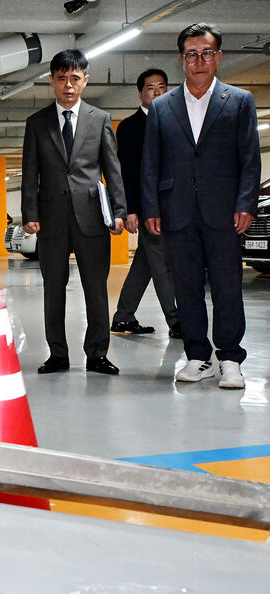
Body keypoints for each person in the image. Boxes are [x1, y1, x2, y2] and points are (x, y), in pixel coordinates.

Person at [142, 23, 261, 389]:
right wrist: (151, 208)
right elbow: (151, 163)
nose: (199, 61)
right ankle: (198, 357)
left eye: (206, 53)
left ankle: (230, 359)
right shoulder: (162, 107)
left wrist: (246, 202)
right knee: (187, 287)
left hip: (224, 211)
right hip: (176, 210)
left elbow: (250, 158)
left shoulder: (239, 101)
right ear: (182, 60)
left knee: (228, 286)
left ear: (218, 57)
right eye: (191, 54)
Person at [21, 49, 126, 376]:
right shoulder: (36, 123)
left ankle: (97, 354)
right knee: (53, 289)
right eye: (62, 78)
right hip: (51, 218)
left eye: (75, 78)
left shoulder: (100, 119)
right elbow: (30, 172)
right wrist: (29, 213)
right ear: (52, 81)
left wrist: (120, 210)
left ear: (85, 81)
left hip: (91, 217)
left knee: (96, 289)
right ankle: (57, 354)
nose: (68, 85)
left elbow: (112, 168)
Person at [110, 68, 181, 339]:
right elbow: (126, 171)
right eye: (151, 88)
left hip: (172, 205)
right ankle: (176, 320)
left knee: (145, 262)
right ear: (140, 93)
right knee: (162, 263)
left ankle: (123, 317)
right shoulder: (130, 127)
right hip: (148, 208)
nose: (157, 92)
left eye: (162, 87)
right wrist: (129, 209)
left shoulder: (175, 120)